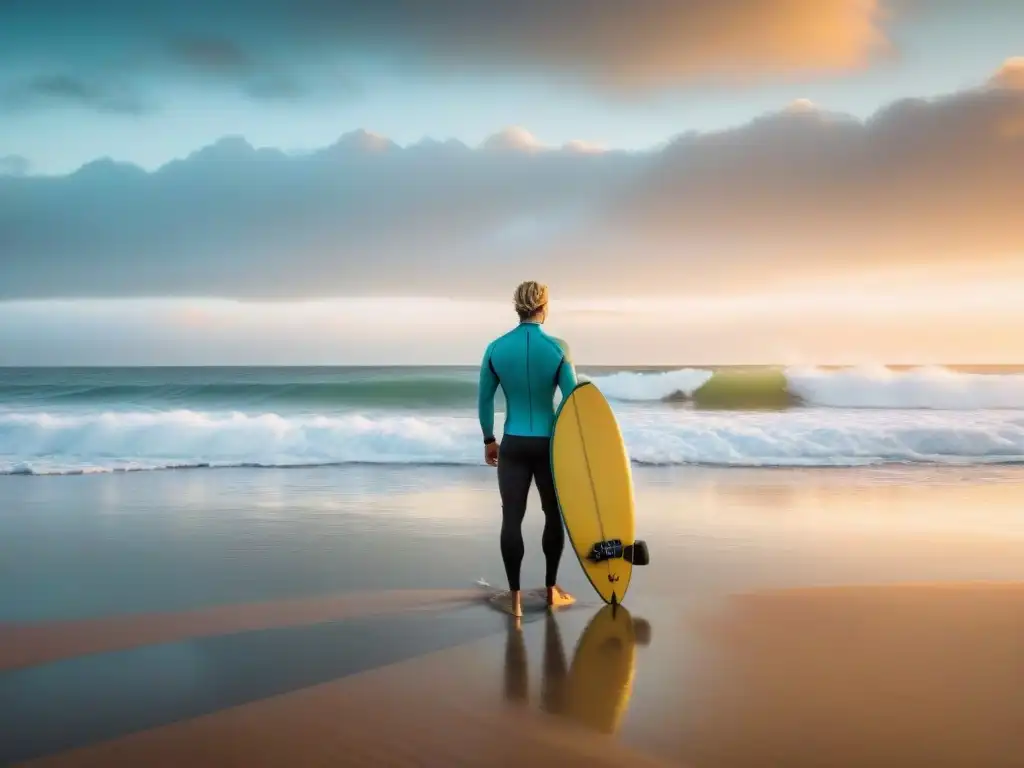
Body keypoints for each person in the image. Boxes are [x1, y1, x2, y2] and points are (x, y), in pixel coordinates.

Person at [478, 280, 578, 617]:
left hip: (514, 444)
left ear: (517, 306)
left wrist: (489, 439)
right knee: (553, 514)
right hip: (550, 445)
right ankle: (552, 591)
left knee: (512, 518)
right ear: (544, 306)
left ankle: (516, 600)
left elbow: (484, 399)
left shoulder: (495, 348)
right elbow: (572, 399)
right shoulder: (558, 348)